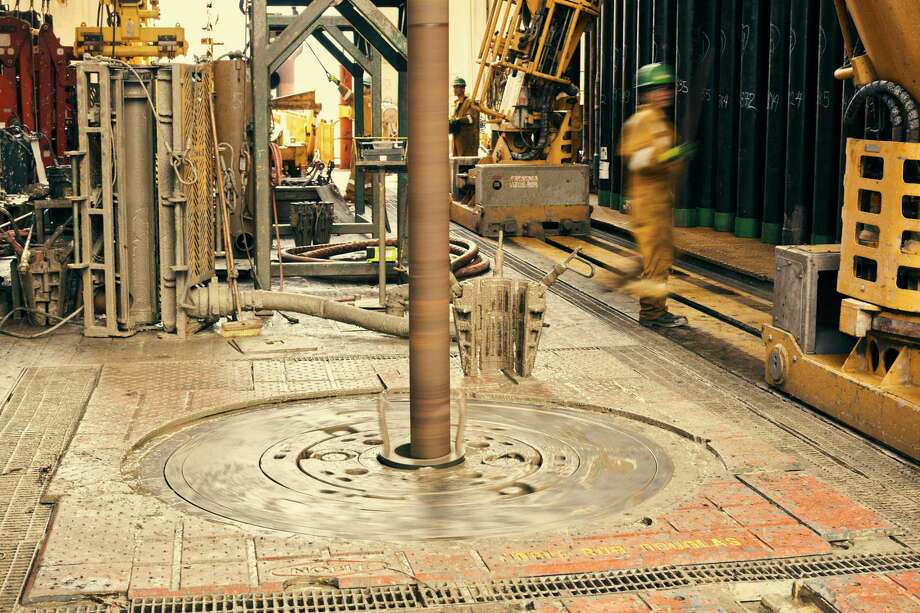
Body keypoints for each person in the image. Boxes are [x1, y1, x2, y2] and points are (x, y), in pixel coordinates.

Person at [618, 63, 694, 328]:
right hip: (647, 205)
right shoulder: (641, 122)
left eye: (666, 88)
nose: (664, 93)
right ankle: (652, 314)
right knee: (655, 261)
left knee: (661, 258)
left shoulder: (660, 122)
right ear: (645, 93)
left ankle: (644, 297)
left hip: (660, 202)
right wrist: (667, 157)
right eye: (658, 89)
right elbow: (636, 160)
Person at [449, 77, 480, 157]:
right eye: (454, 87)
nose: (454, 89)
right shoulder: (456, 103)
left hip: (467, 141)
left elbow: (471, 119)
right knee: (458, 164)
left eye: (457, 87)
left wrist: (457, 120)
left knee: (466, 165)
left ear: (463, 89)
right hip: (458, 140)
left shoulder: (470, 103)